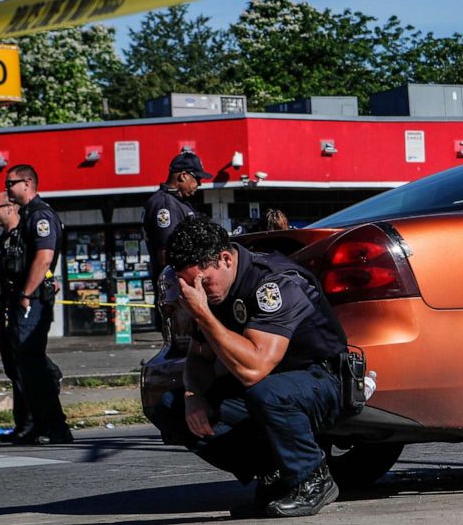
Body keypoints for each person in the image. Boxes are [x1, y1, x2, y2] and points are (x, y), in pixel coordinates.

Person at [152, 216, 346, 518]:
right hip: (266, 389)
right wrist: (193, 395)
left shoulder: (273, 282)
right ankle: (274, 475)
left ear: (225, 258)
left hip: (321, 380)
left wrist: (203, 314)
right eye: (188, 284)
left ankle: (312, 478)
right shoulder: (212, 292)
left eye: (200, 282)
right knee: (171, 407)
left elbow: (253, 369)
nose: (196, 291)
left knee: (267, 393)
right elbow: (200, 357)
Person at [2, 164, 72, 445]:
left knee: (32, 364)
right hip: (26, 298)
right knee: (25, 366)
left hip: (34, 300)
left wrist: (26, 294)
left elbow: (43, 258)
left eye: (11, 183)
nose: (7, 188)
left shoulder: (40, 216)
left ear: (27, 183)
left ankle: (55, 426)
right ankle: (36, 424)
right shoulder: (27, 216)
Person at [0, 191, 34, 443]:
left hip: (20, 311)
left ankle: (30, 423)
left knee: (25, 369)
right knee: (13, 370)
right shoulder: (1, 241)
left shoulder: (23, 236)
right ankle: (21, 423)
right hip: (3, 311)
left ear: (11, 207)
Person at [142, 149, 212, 290]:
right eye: (197, 179)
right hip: (177, 290)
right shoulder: (165, 205)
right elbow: (165, 255)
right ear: (183, 176)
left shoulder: (179, 202)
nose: (199, 184)